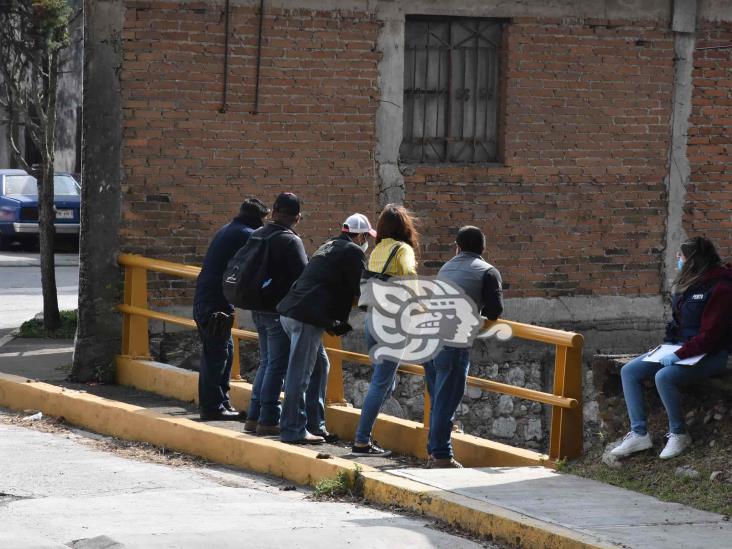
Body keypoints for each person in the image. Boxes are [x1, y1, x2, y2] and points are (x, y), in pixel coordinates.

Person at [611, 237, 732, 460]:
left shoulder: (721, 288)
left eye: (681, 256)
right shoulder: (689, 283)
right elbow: (678, 323)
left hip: (711, 354)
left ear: (694, 261)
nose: (678, 260)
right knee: (629, 371)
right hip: (680, 349)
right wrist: (667, 347)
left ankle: (679, 433)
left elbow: (710, 336)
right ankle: (639, 434)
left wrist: (679, 354)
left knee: (664, 377)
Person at [277, 213, 374, 444]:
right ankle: (292, 430)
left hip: (294, 312)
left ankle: (315, 426)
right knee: (299, 375)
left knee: (320, 367)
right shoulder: (353, 251)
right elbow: (362, 288)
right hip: (306, 317)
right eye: (366, 237)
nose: (366, 242)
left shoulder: (329, 244)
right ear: (359, 235)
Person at [424, 226, 503, 468]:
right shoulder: (488, 272)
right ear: (483, 249)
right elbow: (494, 311)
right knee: (446, 401)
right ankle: (441, 455)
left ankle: (434, 451)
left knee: (438, 398)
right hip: (452, 343)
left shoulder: (446, 267)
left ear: (457, 247)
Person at [352, 204, 419, 456]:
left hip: (372, 319)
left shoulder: (378, 249)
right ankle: (361, 441)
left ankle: (365, 435)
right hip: (391, 322)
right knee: (381, 383)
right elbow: (410, 275)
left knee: (384, 382)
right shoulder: (403, 249)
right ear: (405, 227)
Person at [193, 198, 269, 421]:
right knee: (216, 355)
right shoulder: (246, 234)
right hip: (214, 305)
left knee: (222, 352)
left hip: (209, 301)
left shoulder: (229, 229)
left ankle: (220, 403)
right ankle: (212, 407)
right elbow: (255, 266)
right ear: (259, 219)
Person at [243, 193, 308, 436]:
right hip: (277, 311)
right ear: (297, 218)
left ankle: (254, 415)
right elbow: (304, 276)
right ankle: (269, 418)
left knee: (267, 362)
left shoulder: (258, 234)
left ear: (272, 212)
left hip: (257, 308)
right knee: (277, 366)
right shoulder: (290, 241)